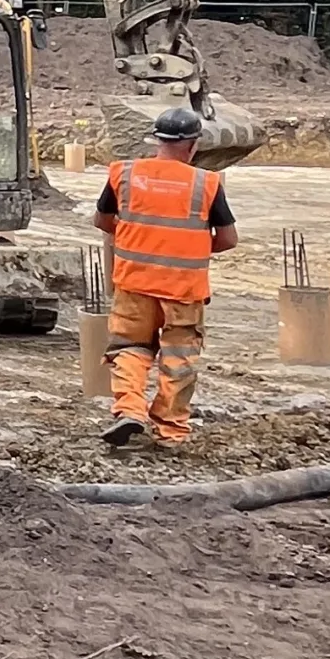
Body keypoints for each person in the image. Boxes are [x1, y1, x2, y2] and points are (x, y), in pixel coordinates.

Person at [93, 101, 237, 449]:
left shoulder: (124, 173)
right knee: (178, 359)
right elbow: (228, 239)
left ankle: (129, 409)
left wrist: (138, 240)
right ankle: (170, 431)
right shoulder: (207, 183)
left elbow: (102, 223)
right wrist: (187, 249)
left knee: (129, 347)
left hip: (133, 283)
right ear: (194, 145)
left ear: (156, 140)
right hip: (184, 290)